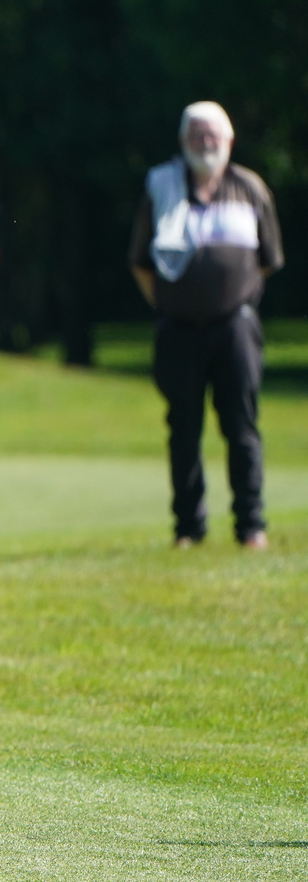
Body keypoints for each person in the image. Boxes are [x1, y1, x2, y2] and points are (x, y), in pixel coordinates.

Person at [129, 101, 283, 550]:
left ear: (229, 141)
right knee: (184, 430)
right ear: (182, 141)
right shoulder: (161, 187)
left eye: (214, 134)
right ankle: (188, 528)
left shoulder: (250, 189)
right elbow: (140, 262)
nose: (206, 141)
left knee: (242, 427)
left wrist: (233, 297)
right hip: (177, 329)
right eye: (197, 134)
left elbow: (268, 260)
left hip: (235, 328)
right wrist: (169, 302)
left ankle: (251, 525)